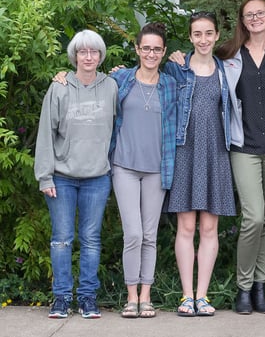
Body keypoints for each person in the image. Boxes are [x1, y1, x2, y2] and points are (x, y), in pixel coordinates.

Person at [215, 0, 265, 314]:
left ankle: (261, 287)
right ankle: (243, 287)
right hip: (244, 145)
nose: (256, 18)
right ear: (242, 20)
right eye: (250, 15)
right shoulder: (229, 55)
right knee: (254, 217)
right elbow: (199, 65)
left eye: (261, 13)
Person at [34, 29, 118, 319]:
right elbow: (45, 134)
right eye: (82, 52)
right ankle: (60, 299)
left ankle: (87, 298)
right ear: (74, 56)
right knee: (61, 239)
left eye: (94, 51)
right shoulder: (58, 88)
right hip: (62, 177)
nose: (88, 56)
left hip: (98, 177)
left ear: (100, 55)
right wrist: (45, 176)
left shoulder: (111, 86)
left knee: (92, 239)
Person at [163, 12, 235, 317]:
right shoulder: (178, 69)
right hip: (184, 152)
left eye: (208, 33)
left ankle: (203, 296)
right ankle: (186, 295)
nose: (203, 39)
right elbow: (148, 80)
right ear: (190, 37)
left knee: (209, 227)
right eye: (197, 34)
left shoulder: (226, 70)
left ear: (217, 35)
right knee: (186, 226)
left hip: (216, 152)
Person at [109, 22, 177, 318]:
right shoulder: (121, 79)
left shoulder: (171, 85)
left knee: (149, 235)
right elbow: (89, 83)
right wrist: (63, 75)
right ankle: (130, 295)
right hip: (124, 166)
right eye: (145, 47)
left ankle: (145, 296)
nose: (151, 53)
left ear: (164, 52)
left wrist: (182, 60)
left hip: (156, 169)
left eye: (157, 49)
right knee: (133, 233)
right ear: (137, 49)